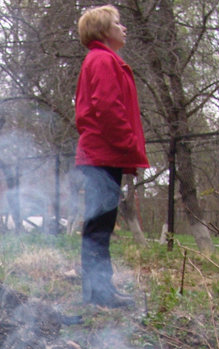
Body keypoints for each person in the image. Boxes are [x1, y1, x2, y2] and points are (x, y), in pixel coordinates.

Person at [74, 5, 149, 308]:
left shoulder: (102, 60)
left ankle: (98, 290)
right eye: (117, 24)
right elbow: (107, 108)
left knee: (101, 224)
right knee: (99, 225)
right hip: (103, 153)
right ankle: (98, 292)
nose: (123, 28)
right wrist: (128, 143)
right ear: (103, 31)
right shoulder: (103, 60)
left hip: (102, 153)